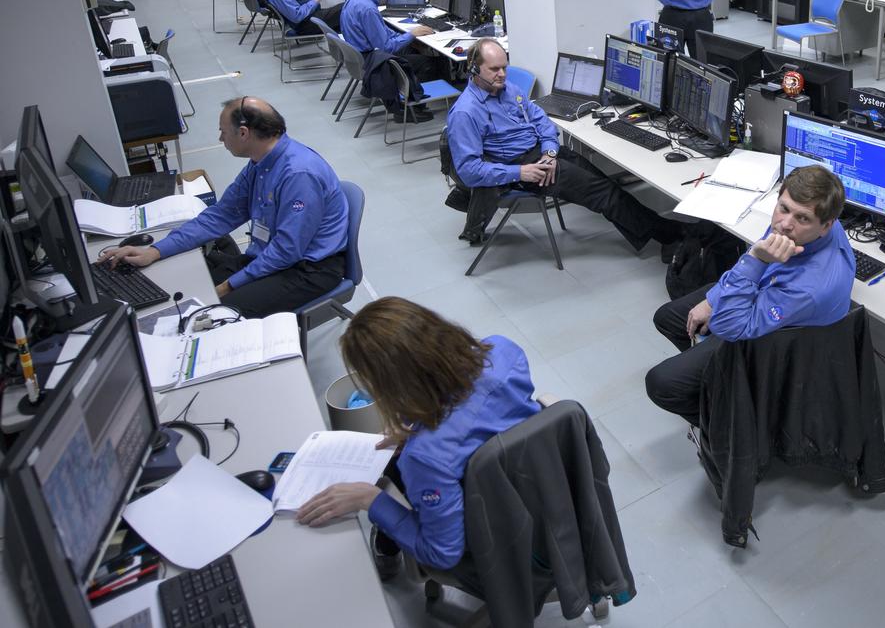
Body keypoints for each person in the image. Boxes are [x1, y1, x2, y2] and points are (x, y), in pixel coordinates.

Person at [294, 298, 540, 579]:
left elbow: (442, 553)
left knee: (388, 475)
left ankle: (387, 549)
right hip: (547, 492)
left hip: (504, 538)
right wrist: (418, 425)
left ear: (390, 384)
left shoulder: (423, 458)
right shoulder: (505, 352)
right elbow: (482, 414)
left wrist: (371, 499)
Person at [645, 165, 854, 427]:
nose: (785, 224)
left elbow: (728, 326)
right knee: (668, 317)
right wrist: (713, 298)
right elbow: (752, 264)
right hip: (763, 294)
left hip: (775, 342)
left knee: (662, 384)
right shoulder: (800, 228)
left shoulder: (811, 287)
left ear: (826, 225)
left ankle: (730, 430)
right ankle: (723, 385)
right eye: (783, 208)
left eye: (802, 218)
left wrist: (755, 260)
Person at [100, 98, 348, 318]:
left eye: (223, 132)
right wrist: (155, 251)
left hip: (307, 271)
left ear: (243, 133)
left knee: (214, 314)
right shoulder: (259, 165)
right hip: (270, 257)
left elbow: (287, 251)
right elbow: (220, 216)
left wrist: (229, 286)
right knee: (188, 285)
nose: (220, 139)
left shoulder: (298, 175)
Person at [447, 39, 683, 250]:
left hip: (541, 155)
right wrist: (522, 172)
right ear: (474, 69)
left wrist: (550, 150)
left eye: (504, 68)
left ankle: (657, 238)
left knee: (606, 185)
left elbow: (541, 119)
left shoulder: (508, 90)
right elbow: (469, 172)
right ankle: (672, 236)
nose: (502, 75)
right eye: (494, 69)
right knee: (605, 195)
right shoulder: (465, 113)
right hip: (519, 168)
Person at [340, 0, 442, 115]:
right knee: (429, 63)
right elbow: (385, 48)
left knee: (412, 47)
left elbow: (383, 31)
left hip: (361, 57)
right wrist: (411, 34)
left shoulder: (356, 0)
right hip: (373, 61)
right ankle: (411, 109)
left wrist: (408, 36)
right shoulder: (368, 9)